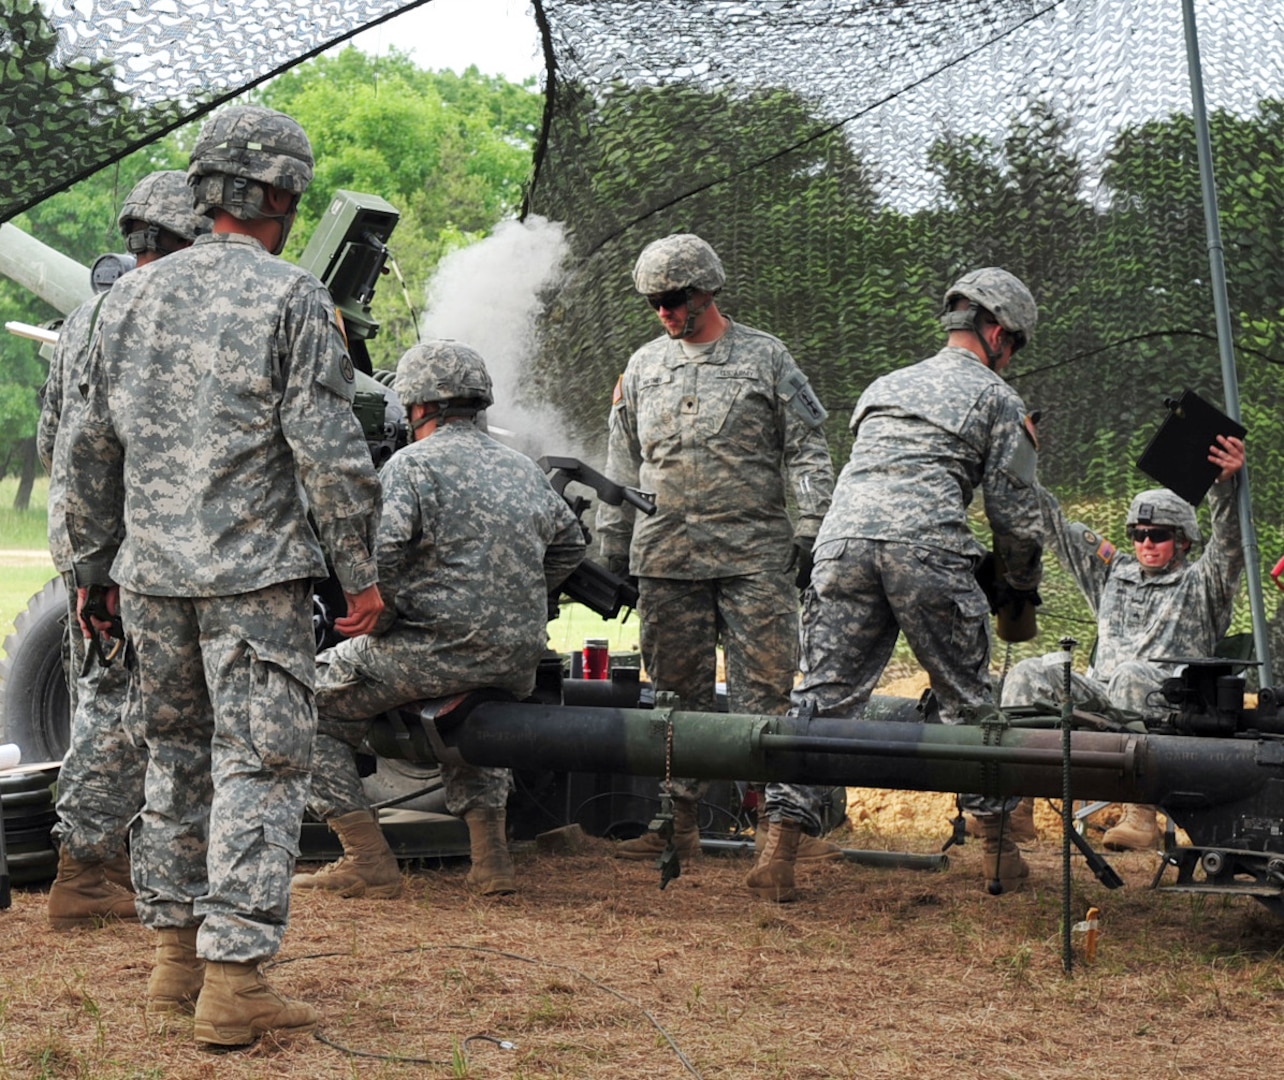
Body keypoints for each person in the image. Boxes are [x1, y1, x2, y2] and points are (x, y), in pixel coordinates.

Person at [63, 105, 384, 1050]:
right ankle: (235, 981)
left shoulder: (125, 299)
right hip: (253, 584)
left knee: (175, 759)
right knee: (263, 762)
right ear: (279, 195)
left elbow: (87, 452)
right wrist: (358, 573)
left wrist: (91, 570)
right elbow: (329, 451)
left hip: (151, 580)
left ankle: (173, 962)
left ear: (209, 191)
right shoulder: (291, 299)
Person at [291, 340, 586, 899]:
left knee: (300, 705)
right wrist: (511, 603)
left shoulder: (411, 466)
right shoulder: (521, 467)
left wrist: (388, 618)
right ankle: (492, 861)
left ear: (416, 405)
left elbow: (383, 561)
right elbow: (571, 546)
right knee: (466, 713)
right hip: (514, 657)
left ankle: (367, 859)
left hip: (429, 651)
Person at [596, 233, 837, 901]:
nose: (666, 313)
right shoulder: (643, 368)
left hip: (754, 558)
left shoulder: (766, 359)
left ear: (708, 289)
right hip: (667, 558)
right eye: (654, 303)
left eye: (674, 300)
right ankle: (676, 826)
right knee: (675, 697)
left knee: (768, 700)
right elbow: (621, 471)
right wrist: (609, 553)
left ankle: (779, 839)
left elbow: (808, 451)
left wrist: (813, 526)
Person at [789, 267, 1044, 894]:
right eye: (1012, 345)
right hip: (926, 550)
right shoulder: (1000, 400)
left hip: (840, 547)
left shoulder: (886, 384)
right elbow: (1017, 519)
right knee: (969, 705)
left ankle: (776, 852)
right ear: (994, 331)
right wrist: (1017, 587)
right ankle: (999, 857)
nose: (1009, 359)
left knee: (820, 702)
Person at [37, 170, 207, 930]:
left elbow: (54, 441)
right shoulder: (176, 314)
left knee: (102, 699)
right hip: (143, 552)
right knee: (125, 710)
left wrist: (84, 558)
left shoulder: (87, 318)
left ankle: (100, 865)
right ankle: (86, 872)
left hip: (90, 548)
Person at [999, 446, 1245, 851]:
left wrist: (1223, 486)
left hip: (1170, 705)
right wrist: (1021, 465)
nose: (1146, 543)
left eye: (1159, 535)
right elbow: (1058, 529)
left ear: (1183, 541)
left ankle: (1140, 814)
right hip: (1102, 696)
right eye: (1138, 534)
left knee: (1133, 675)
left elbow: (1230, 543)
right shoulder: (1114, 574)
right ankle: (1015, 807)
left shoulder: (1204, 583)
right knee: (1029, 674)